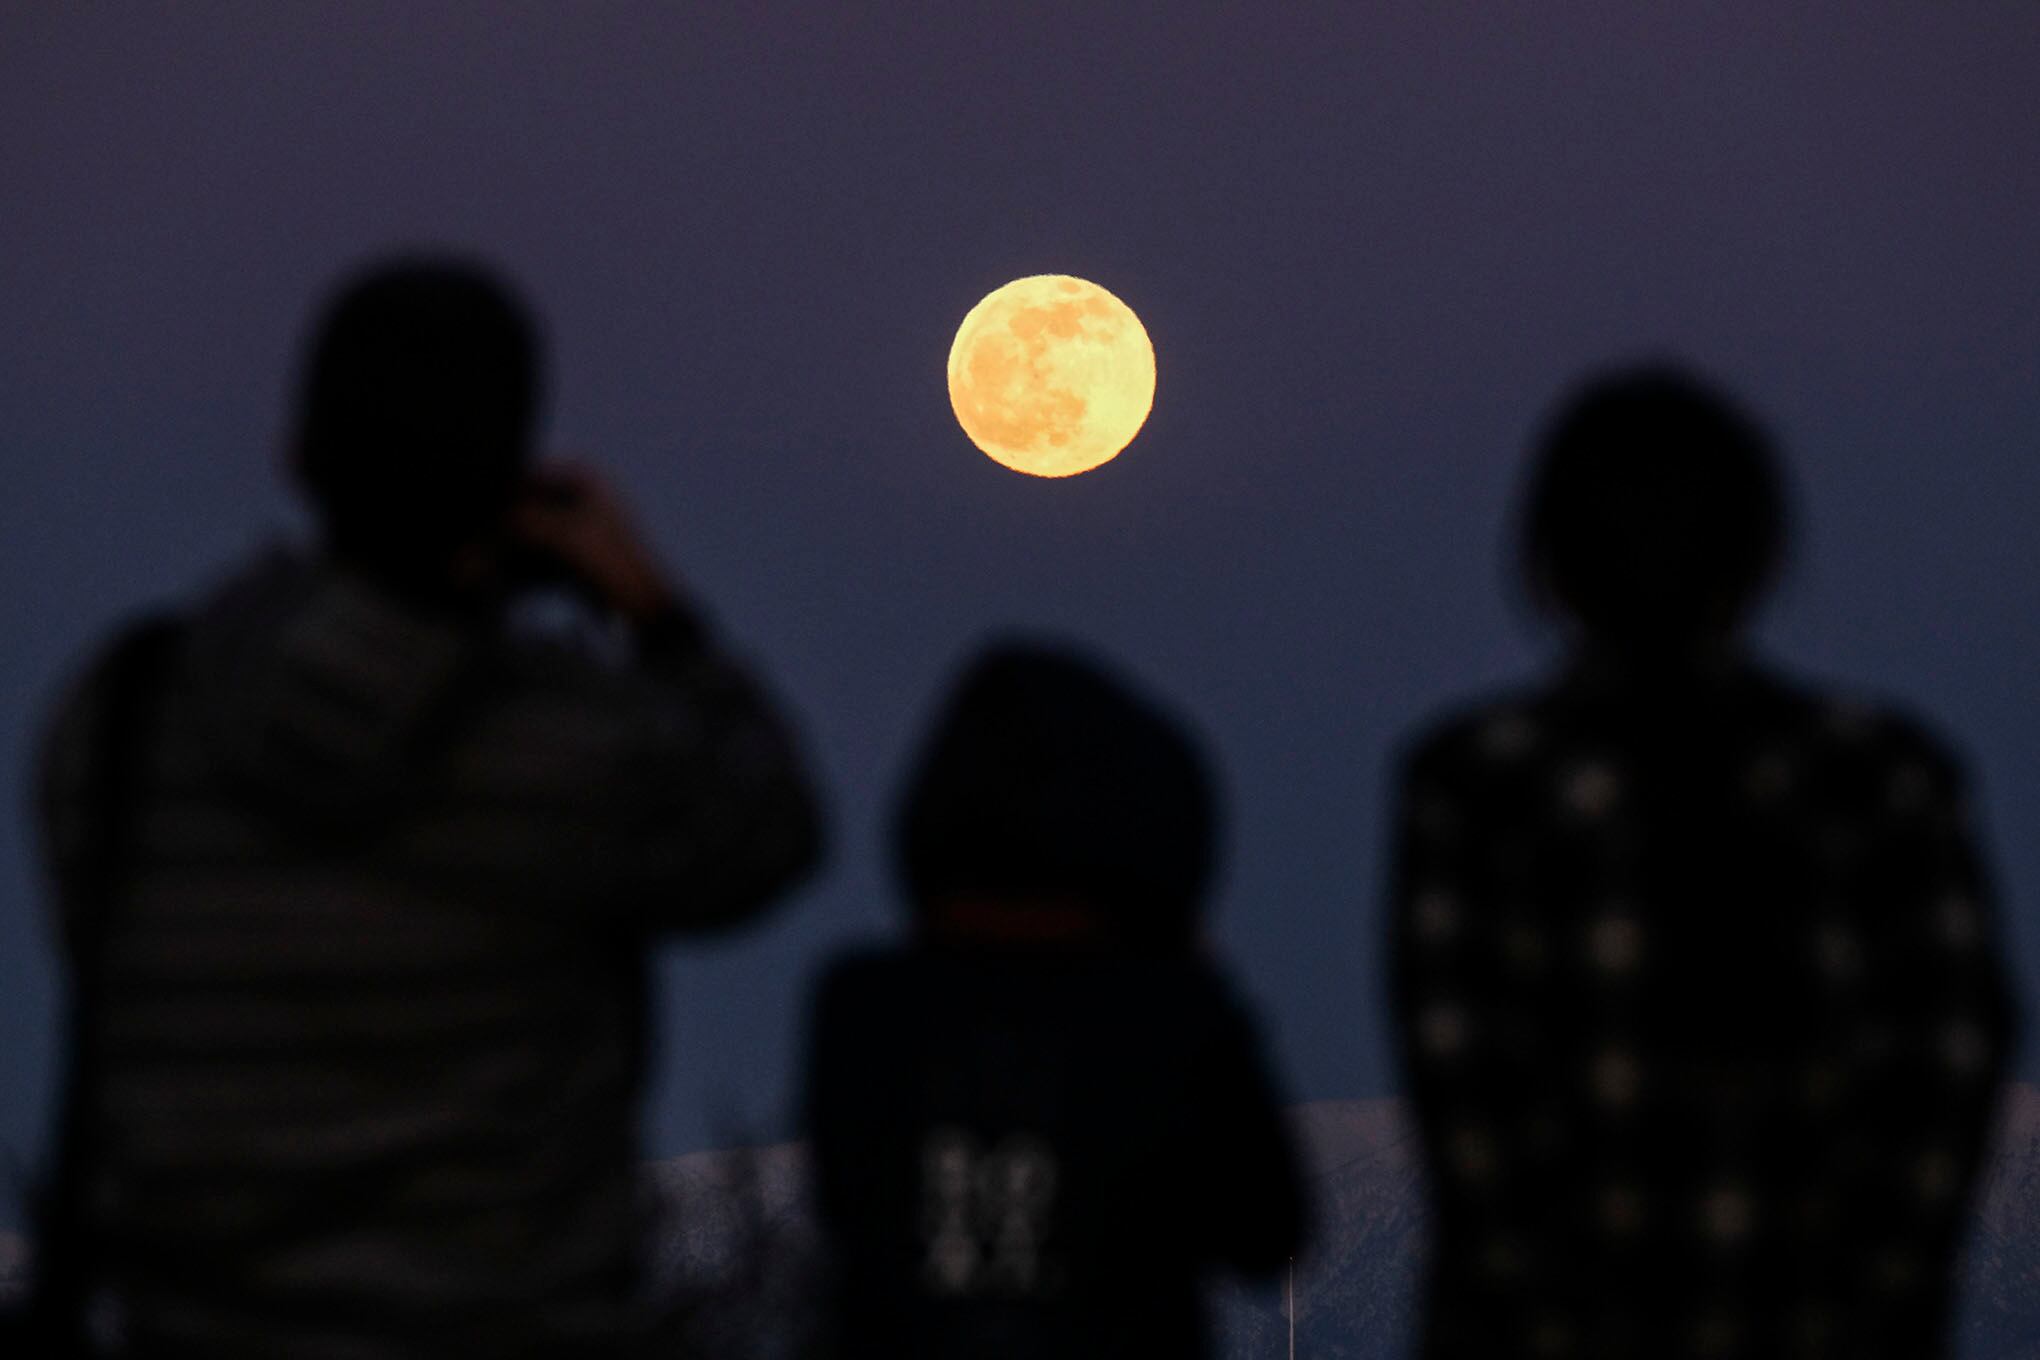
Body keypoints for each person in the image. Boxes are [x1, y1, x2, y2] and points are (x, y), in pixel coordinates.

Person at [29, 256, 824, 1355]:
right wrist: (657, 618)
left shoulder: (120, 723)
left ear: (299, 456)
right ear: (511, 484)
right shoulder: (581, 749)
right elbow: (773, 829)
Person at [1387, 364, 2017, 1359]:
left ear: (1549, 562)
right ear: (1762, 553)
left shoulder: (1479, 785)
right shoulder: (1882, 778)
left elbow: (1476, 1123)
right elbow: (1942, 1080)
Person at [804, 642, 1307, 1360]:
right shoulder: (1165, 1022)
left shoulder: (863, 1007)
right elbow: (1267, 1230)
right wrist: (1200, 990)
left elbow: (846, 1209)